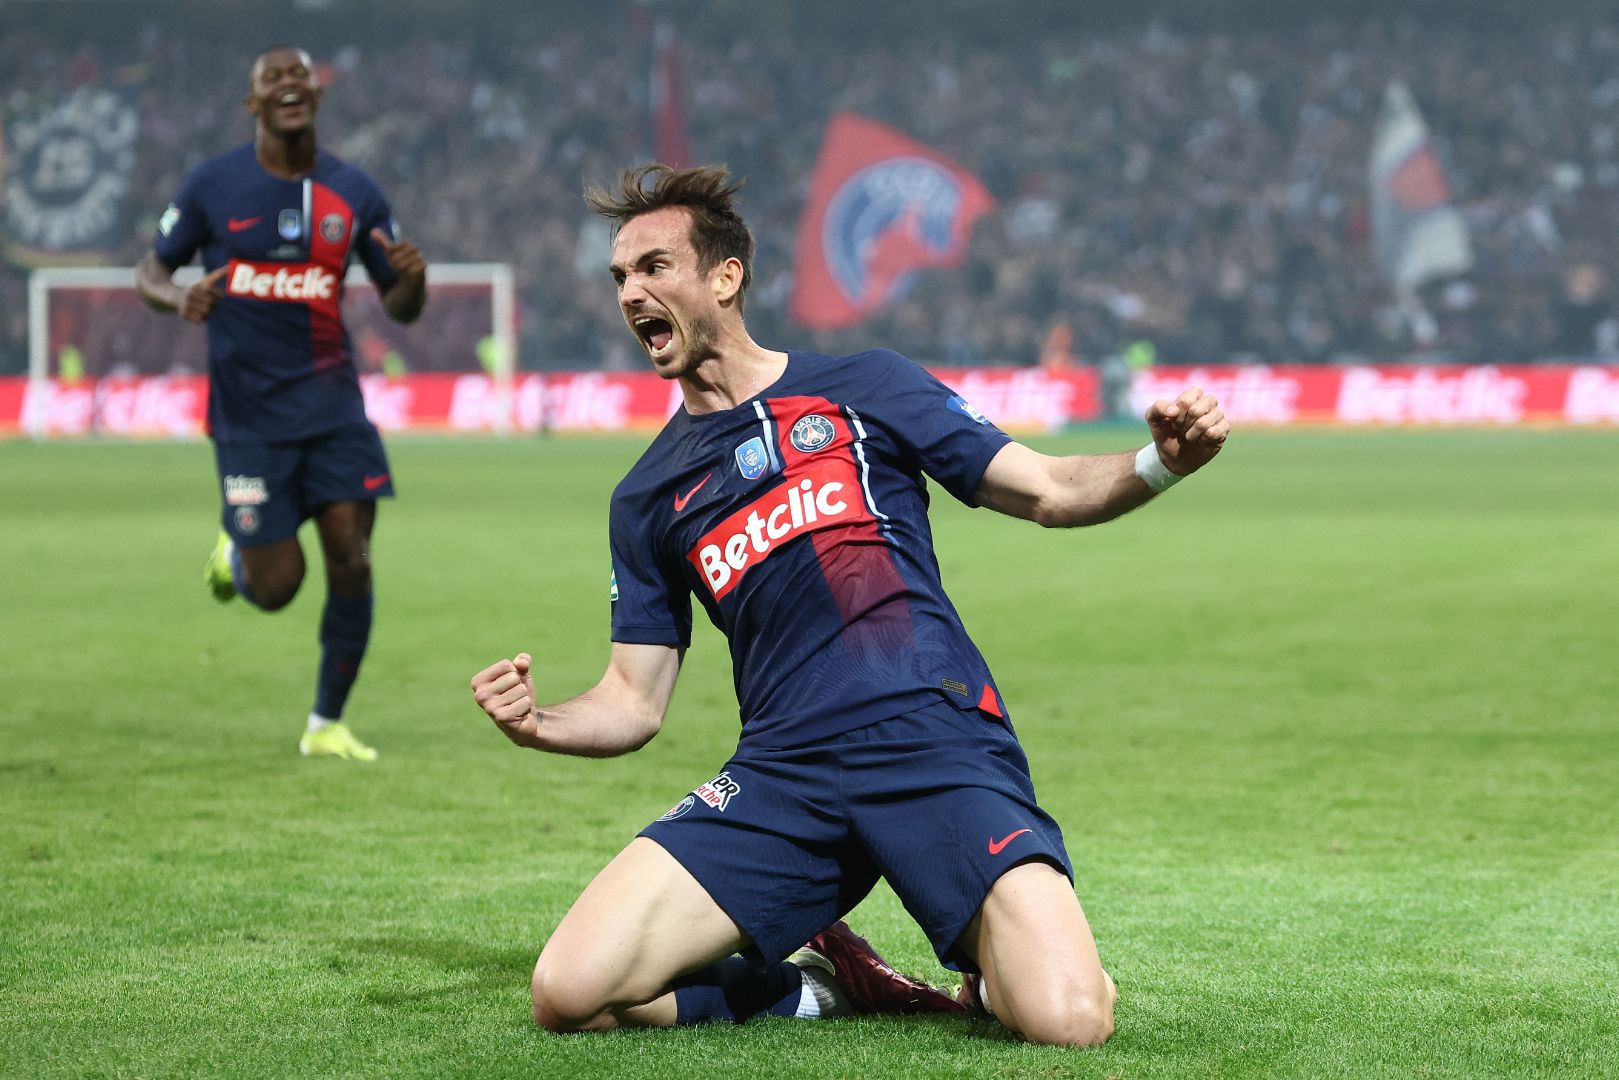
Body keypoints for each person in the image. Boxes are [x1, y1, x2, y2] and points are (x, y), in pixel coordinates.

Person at [469, 164, 1229, 1045]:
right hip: (784, 772)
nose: (631, 292)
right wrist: (541, 723)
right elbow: (633, 702)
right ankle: (802, 985)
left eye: (652, 267)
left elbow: (1052, 489)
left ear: (724, 275)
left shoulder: (865, 385)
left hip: (930, 739)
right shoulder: (646, 497)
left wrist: (1158, 462)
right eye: (620, 278)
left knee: (1068, 1021)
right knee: (570, 992)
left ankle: (996, 970)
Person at [137, 45, 427, 761]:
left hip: (333, 410)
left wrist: (413, 280)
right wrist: (180, 296)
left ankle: (325, 724)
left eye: (299, 75)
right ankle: (236, 553)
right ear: (254, 104)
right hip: (248, 421)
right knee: (275, 589)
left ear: (316, 97)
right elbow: (150, 269)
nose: (288, 84)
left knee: (351, 559)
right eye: (273, 78)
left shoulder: (354, 193)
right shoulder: (212, 185)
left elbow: (400, 305)